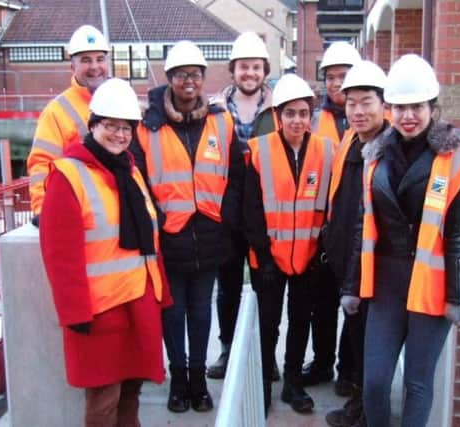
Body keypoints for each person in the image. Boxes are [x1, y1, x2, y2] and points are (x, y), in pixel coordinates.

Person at [342, 54, 460, 427]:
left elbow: (455, 235)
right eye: (401, 107)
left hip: (432, 290)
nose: (408, 115)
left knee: (418, 386)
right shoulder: (375, 156)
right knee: (374, 383)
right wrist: (353, 286)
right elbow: (364, 226)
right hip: (387, 286)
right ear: (389, 109)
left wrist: (457, 297)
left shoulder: (453, 158)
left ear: (432, 108)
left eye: (417, 106)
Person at [39, 78, 170, 426]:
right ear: (93, 125)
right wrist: (74, 313)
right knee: (103, 401)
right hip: (99, 314)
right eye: (111, 126)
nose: (119, 135)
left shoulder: (129, 169)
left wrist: (160, 293)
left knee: (131, 393)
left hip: (137, 303)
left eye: (126, 127)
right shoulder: (68, 175)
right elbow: (59, 255)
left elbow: (150, 240)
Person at [131, 40, 244, 413]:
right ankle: (177, 380)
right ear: (170, 79)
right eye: (181, 75)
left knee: (200, 311)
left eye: (195, 74)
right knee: (173, 311)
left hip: (210, 233)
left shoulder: (221, 121)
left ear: (203, 78)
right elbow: (138, 181)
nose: (189, 81)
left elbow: (236, 177)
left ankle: (198, 380)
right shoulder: (147, 127)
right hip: (171, 234)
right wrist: (157, 221)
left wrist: (226, 218)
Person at [244, 74, 333, 416]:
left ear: (311, 114)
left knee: (300, 321)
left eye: (303, 112)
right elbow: (250, 211)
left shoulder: (327, 149)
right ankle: (265, 385)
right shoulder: (257, 151)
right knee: (268, 325)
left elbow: (330, 204)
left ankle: (292, 384)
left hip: (308, 258)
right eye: (290, 113)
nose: (297, 120)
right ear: (277, 116)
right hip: (269, 259)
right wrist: (263, 257)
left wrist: (320, 251)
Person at [207, 31, 280, 382]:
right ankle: (227, 349)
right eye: (242, 67)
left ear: (264, 69)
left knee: (269, 280)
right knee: (229, 282)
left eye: (255, 67)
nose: (249, 73)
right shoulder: (215, 108)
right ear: (232, 70)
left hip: (269, 205)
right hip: (227, 205)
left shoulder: (281, 106)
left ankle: (269, 353)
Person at [323, 60, 390, 427]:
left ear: (384, 104)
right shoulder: (351, 139)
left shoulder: (390, 149)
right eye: (351, 103)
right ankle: (358, 403)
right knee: (356, 337)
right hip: (346, 260)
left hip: (372, 267)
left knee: (370, 344)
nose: (358, 110)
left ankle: (365, 414)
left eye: (366, 102)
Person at [303, 41, 362, 394]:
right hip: (322, 229)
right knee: (321, 304)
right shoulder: (313, 119)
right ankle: (323, 362)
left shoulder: (377, 119)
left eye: (344, 76)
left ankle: (347, 369)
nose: (337, 84)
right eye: (331, 77)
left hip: (357, 228)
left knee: (353, 304)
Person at [27, 25, 110, 219]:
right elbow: (41, 163)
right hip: (81, 210)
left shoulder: (121, 98)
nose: (94, 67)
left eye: (100, 59)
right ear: (73, 66)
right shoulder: (56, 112)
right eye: (86, 60)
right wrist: (42, 209)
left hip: (120, 207)